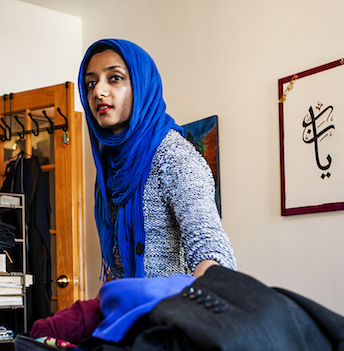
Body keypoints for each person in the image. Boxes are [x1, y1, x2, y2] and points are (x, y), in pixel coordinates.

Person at [78, 38, 236, 281]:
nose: (98, 91)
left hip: (169, 313)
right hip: (128, 311)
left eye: (115, 78)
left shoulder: (174, 156)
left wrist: (202, 302)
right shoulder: (111, 166)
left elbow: (209, 245)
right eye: (90, 83)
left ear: (142, 85)